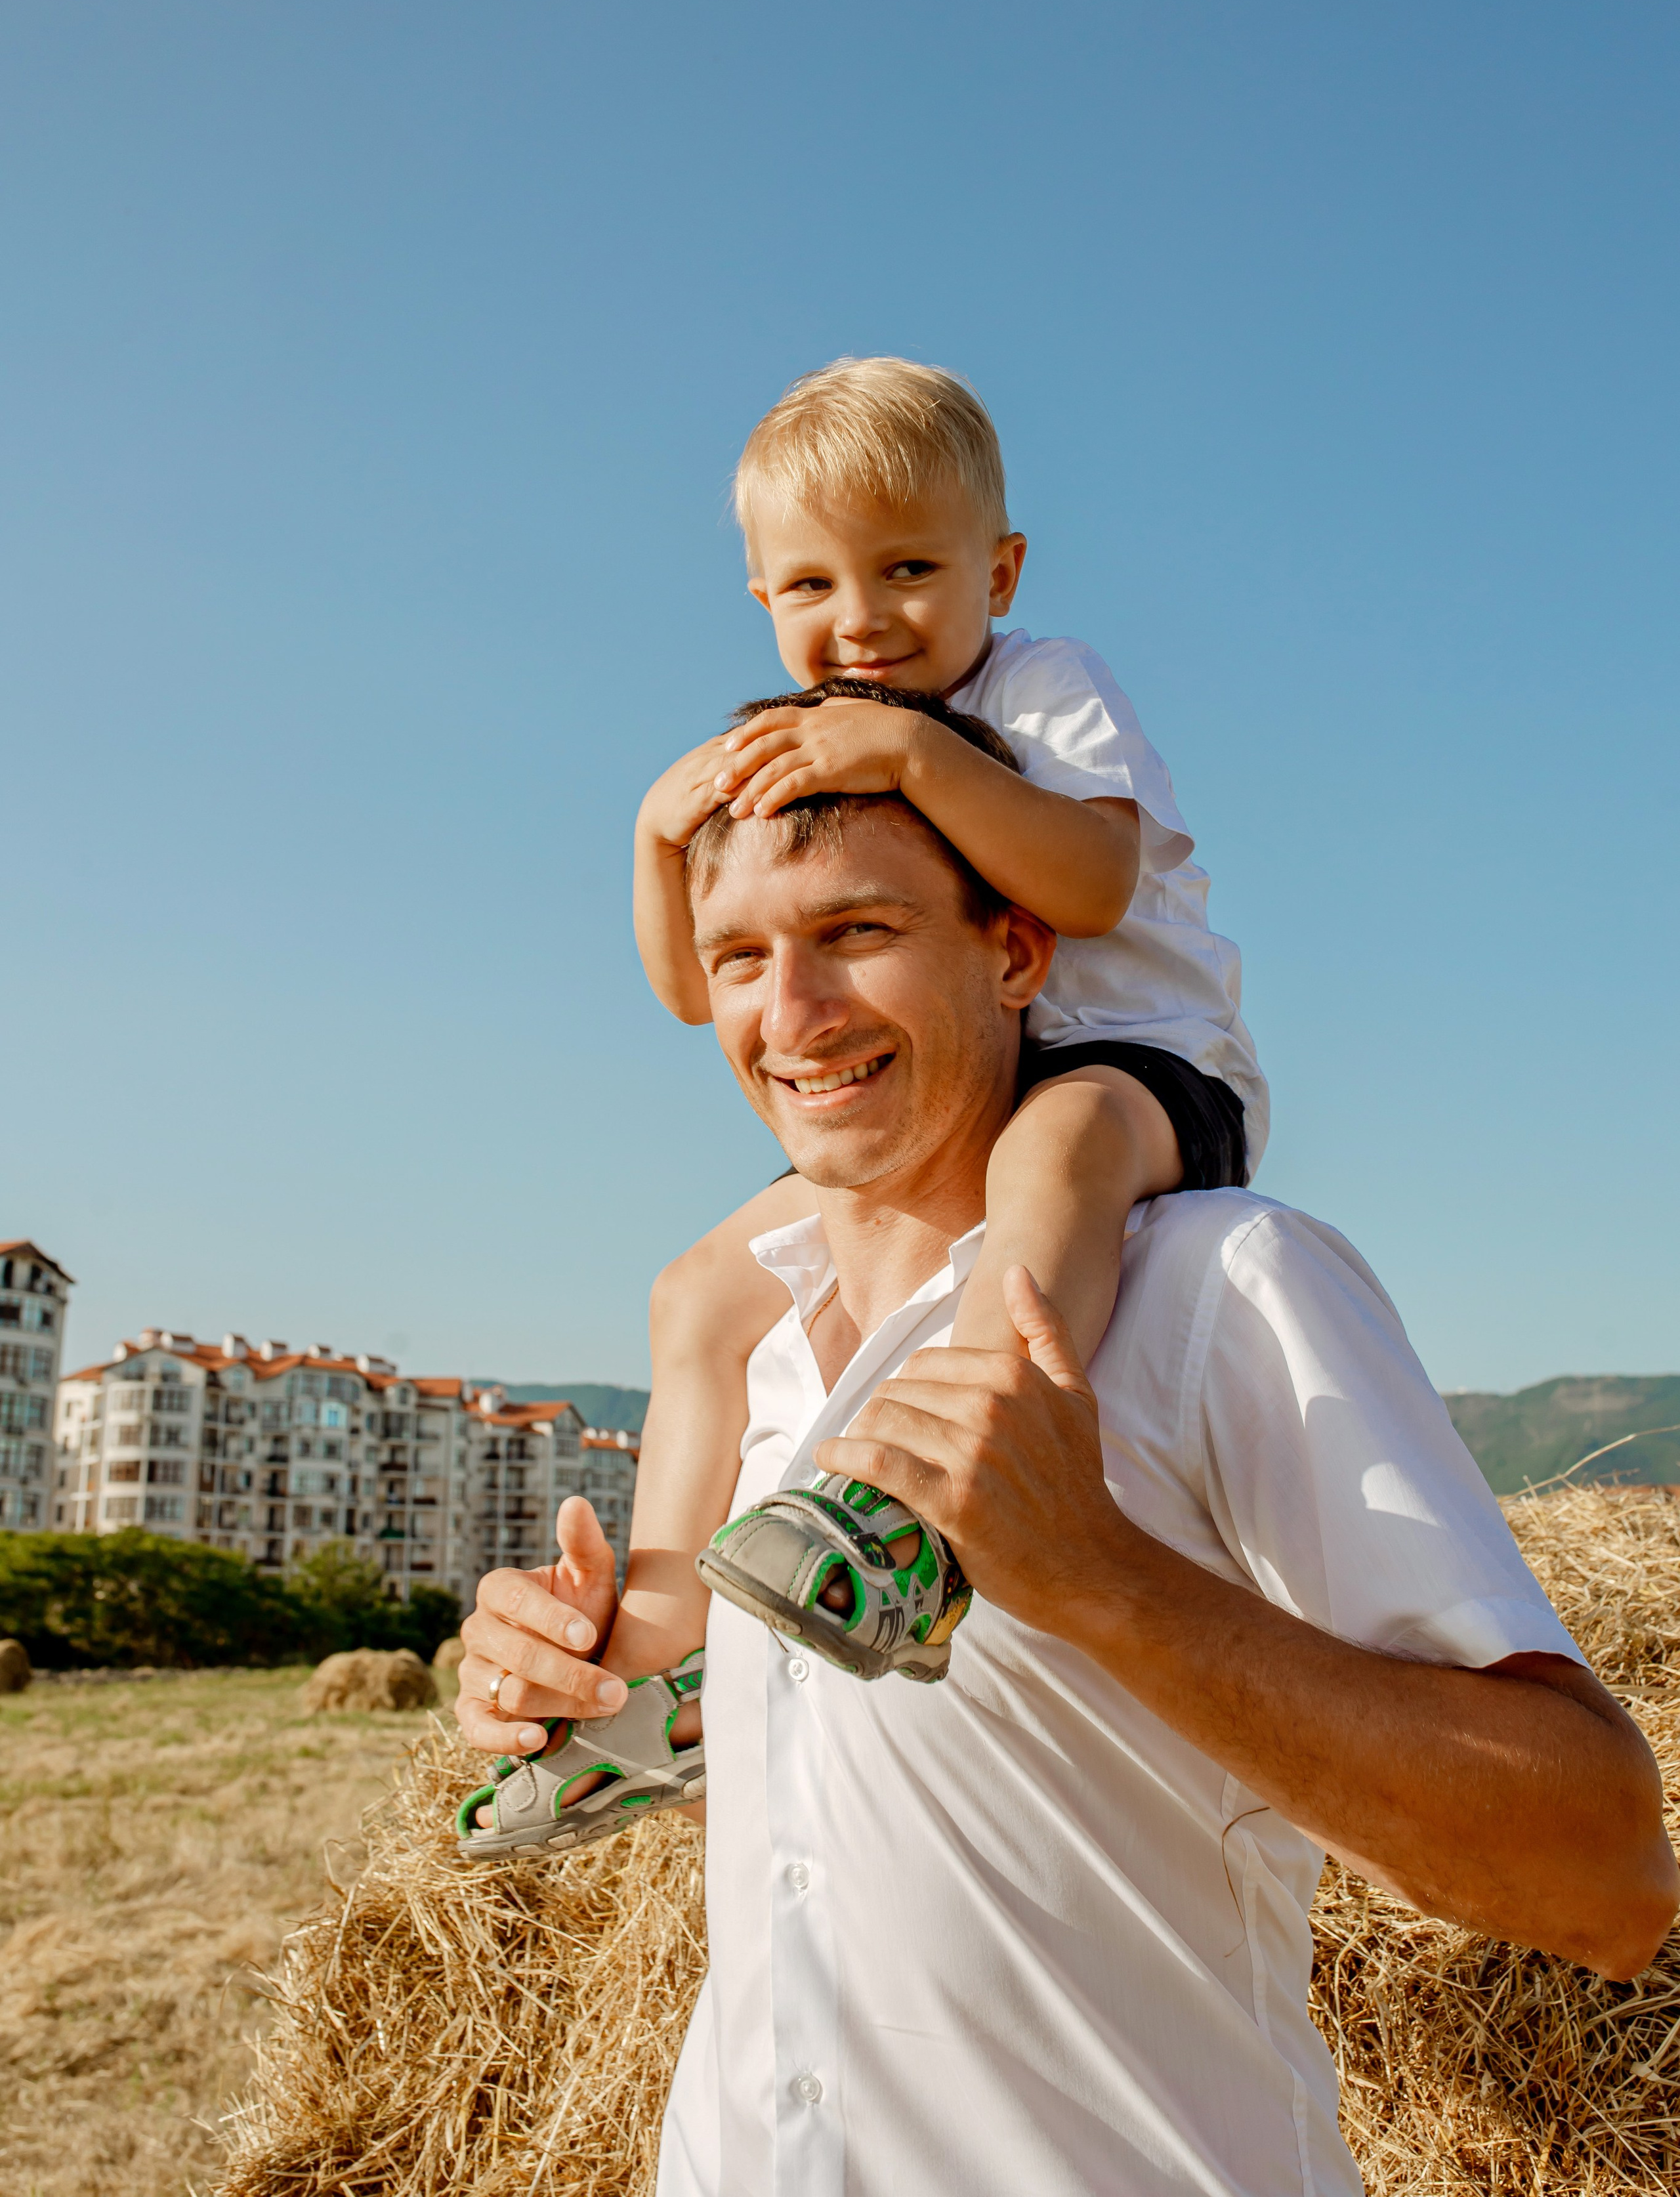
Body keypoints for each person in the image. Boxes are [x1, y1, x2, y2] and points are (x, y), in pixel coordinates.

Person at [456, 771, 1677, 2194]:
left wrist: (1102, 1582)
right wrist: (565, 1693)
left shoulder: (1218, 1290)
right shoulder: (760, 1371)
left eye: (855, 930)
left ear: (1015, 952)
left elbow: (1605, 1883)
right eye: (738, 956)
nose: (787, 1015)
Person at [629, 354, 1266, 1680]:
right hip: (940, 1091)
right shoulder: (798, 745)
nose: (860, 621)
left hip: (1131, 1062)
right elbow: (698, 992)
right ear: (760, 597)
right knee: (698, 1292)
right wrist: (651, 836)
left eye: (907, 570)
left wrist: (912, 754)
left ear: (1000, 574)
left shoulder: (1038, 690)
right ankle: (654, 1654)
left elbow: (1093, 886)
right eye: (810, 585)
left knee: (1050, 1157)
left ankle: (924, 1512)